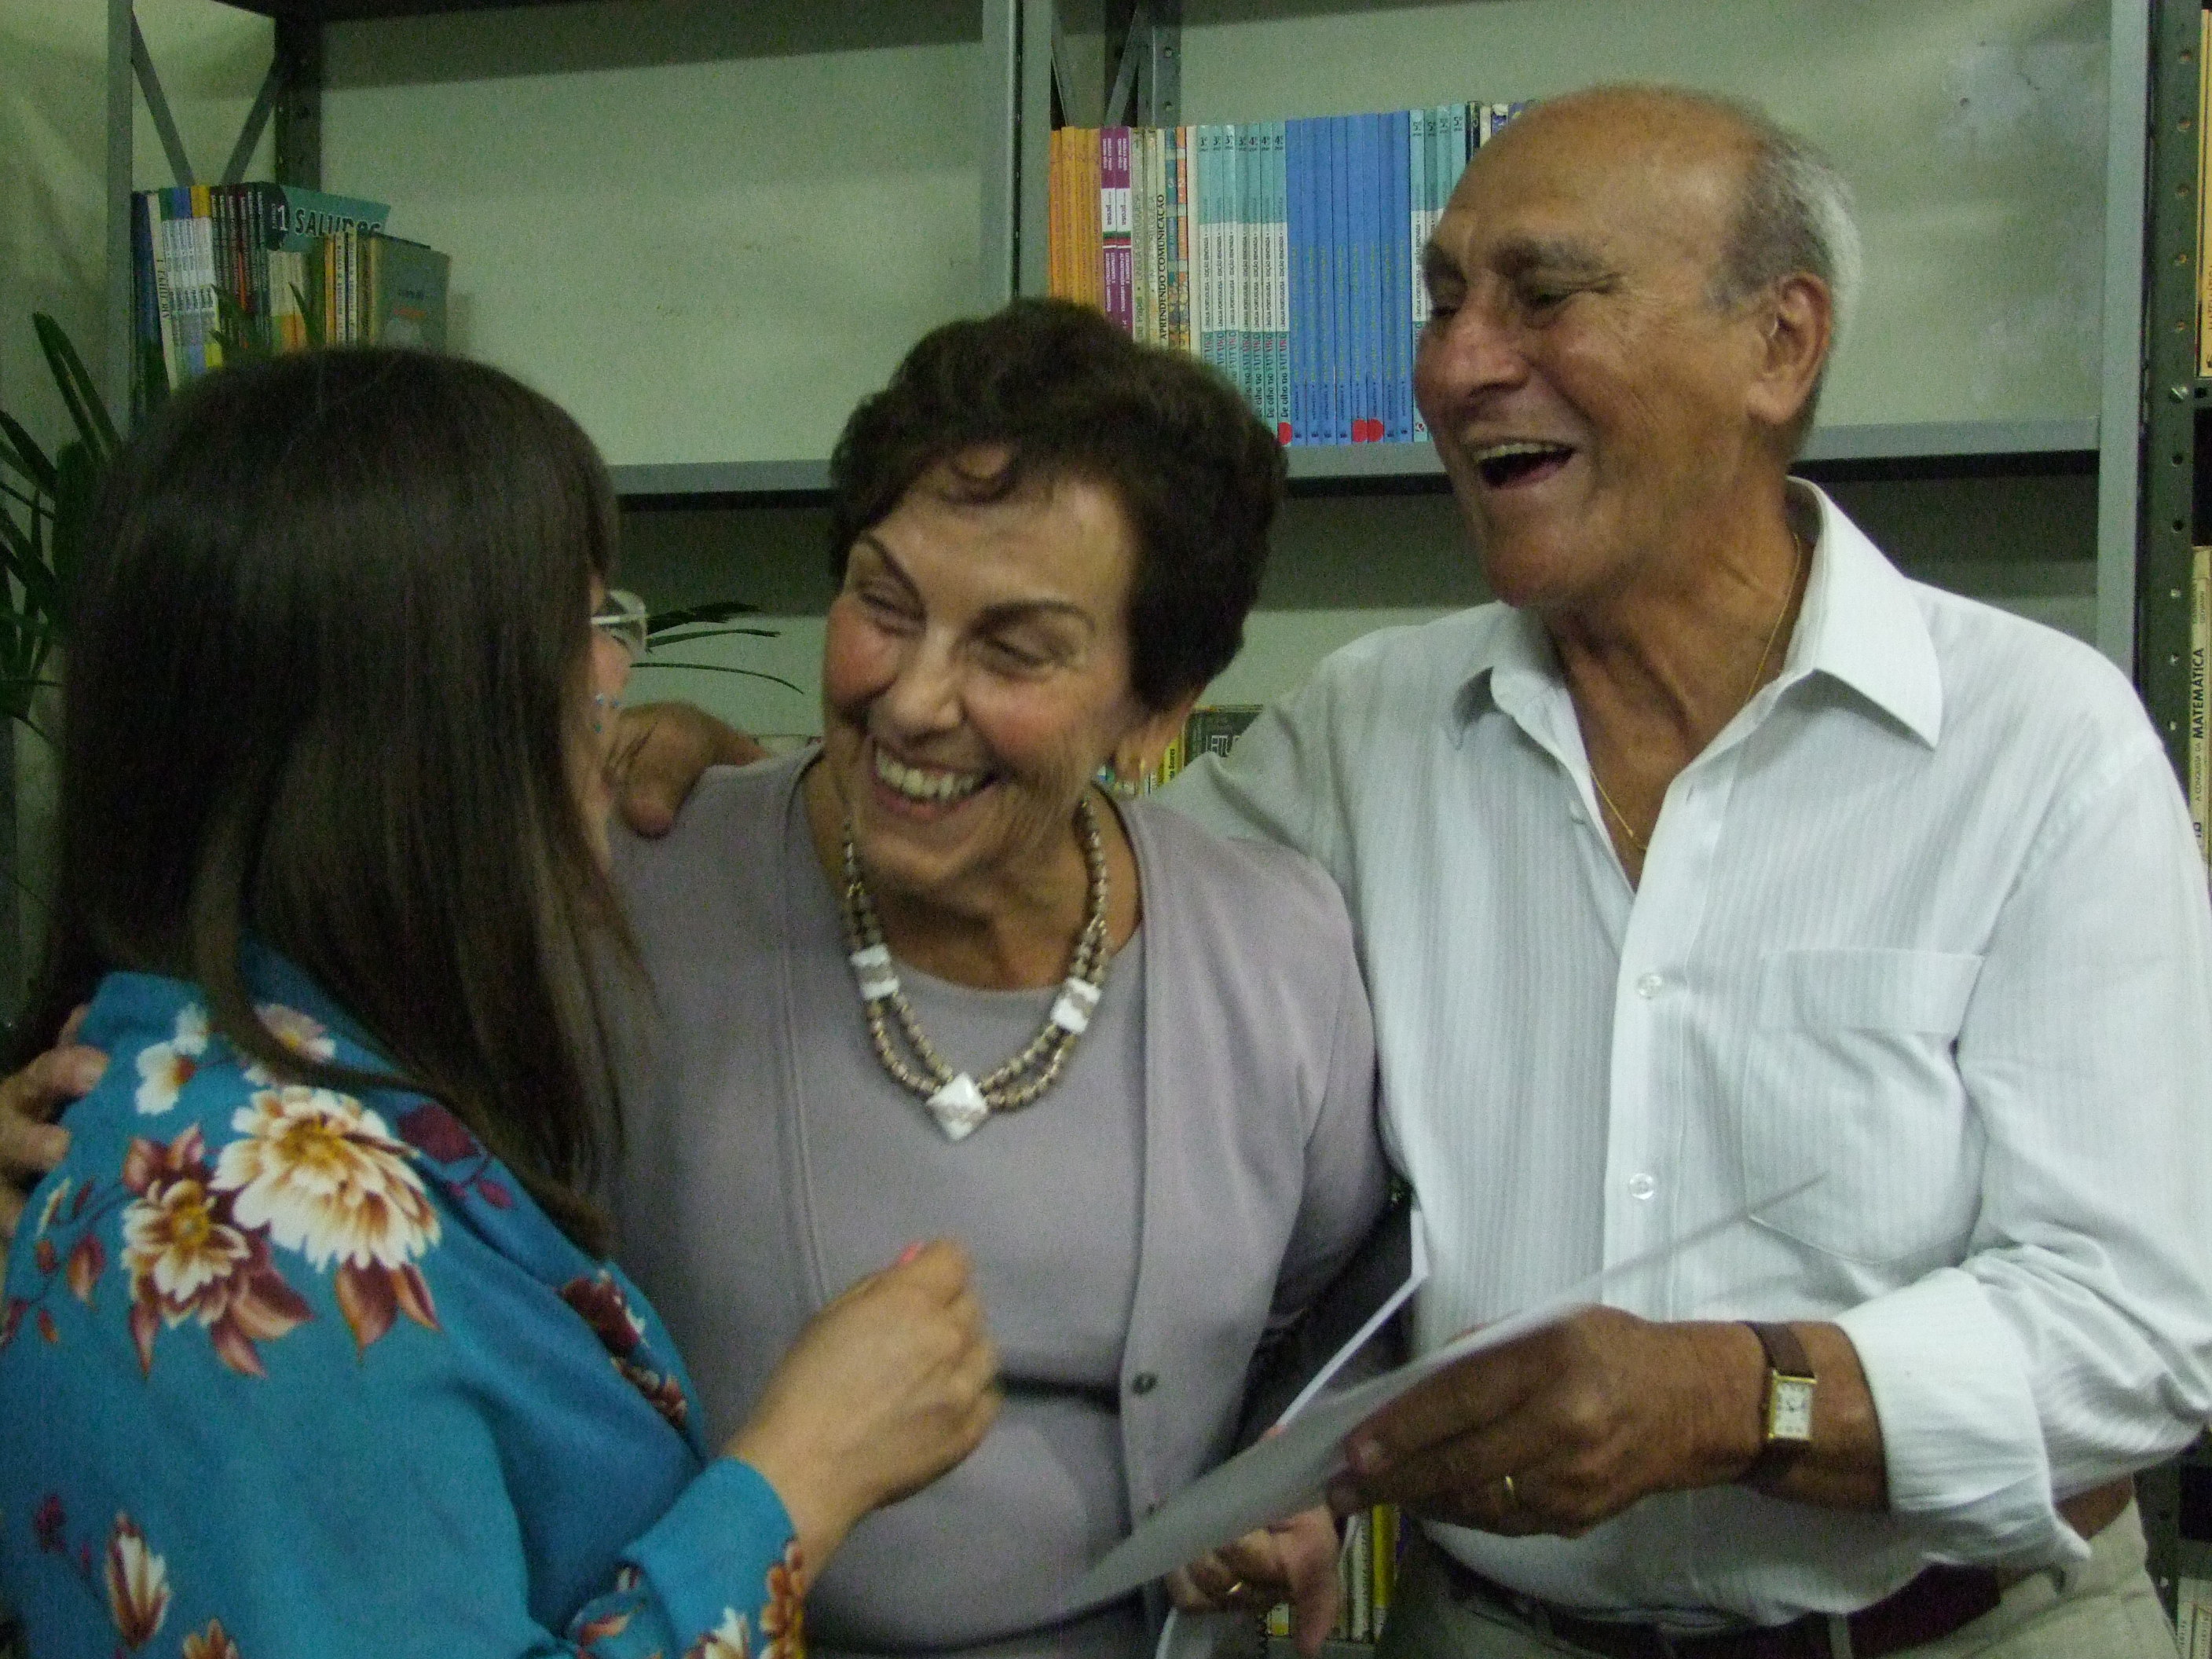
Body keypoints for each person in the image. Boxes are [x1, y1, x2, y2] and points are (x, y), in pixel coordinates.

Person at [1153, 85, 2212, 1657]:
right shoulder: (1364, 733)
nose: (1457, 365)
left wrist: (1733, 1396)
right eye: (1443, 302)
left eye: (1543, 296)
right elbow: (1086, 955)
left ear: (1779, 345)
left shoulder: (2041, 743)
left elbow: (2136, 1332)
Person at [0, 350, 998, 1659]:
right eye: (576, 631)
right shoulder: (262, 1233)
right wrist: (801, 1479)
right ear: (426, 727)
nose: (615, 674)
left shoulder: (276, 1087)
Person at [602, 297, 1388, 1657]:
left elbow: (1335, 1315)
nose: (914, 700)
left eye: (1013, 650)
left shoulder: (1278, 952)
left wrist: (1280, 1484)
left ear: (1157, 706)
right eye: (883, 604)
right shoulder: (635, 894)